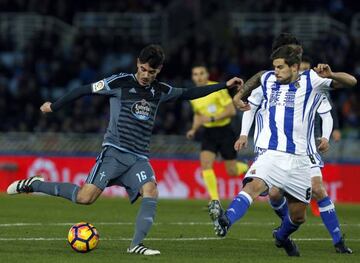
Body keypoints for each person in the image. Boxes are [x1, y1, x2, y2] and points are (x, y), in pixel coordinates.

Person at [7, 44, 243, 256]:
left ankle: (136, 245)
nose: (146, 75)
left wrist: (224, 85)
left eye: (151, 72)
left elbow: (188, 93)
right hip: (114, 152)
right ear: (137, 65)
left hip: (138, 157)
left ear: (158, 70)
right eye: (143, 69)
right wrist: (54, 106)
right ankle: (34, 184)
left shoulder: (159, 90)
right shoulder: (119, 82)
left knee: (151, 190)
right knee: (84, 198)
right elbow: (84, 90)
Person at [211, 45, 356, 257]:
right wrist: (238, 96)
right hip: (272, 153)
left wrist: (332, 74)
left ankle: (281, 236)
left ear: (295, 67)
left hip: (300, 161)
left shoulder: (312, 81)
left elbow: (351, 81)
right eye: (275, 67)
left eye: (280, 67)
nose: (275, 71)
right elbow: (259, 76)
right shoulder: (269, 78)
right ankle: (226, 220)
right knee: (255, 185)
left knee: (298, 217)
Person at [186, 65, 248, 215]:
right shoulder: (193, 95)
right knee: (205, 164)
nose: (199, 76)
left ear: (207, 74)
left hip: (225, 131)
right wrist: (194, 129)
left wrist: (212, 118)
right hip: (208, 132)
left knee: (232, 171)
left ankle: (246, 167)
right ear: (192, 77)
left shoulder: (217, 89)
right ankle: (214, 200)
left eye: (201, 73)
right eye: (195, 74)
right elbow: (198, 115)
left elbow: (231, 110)